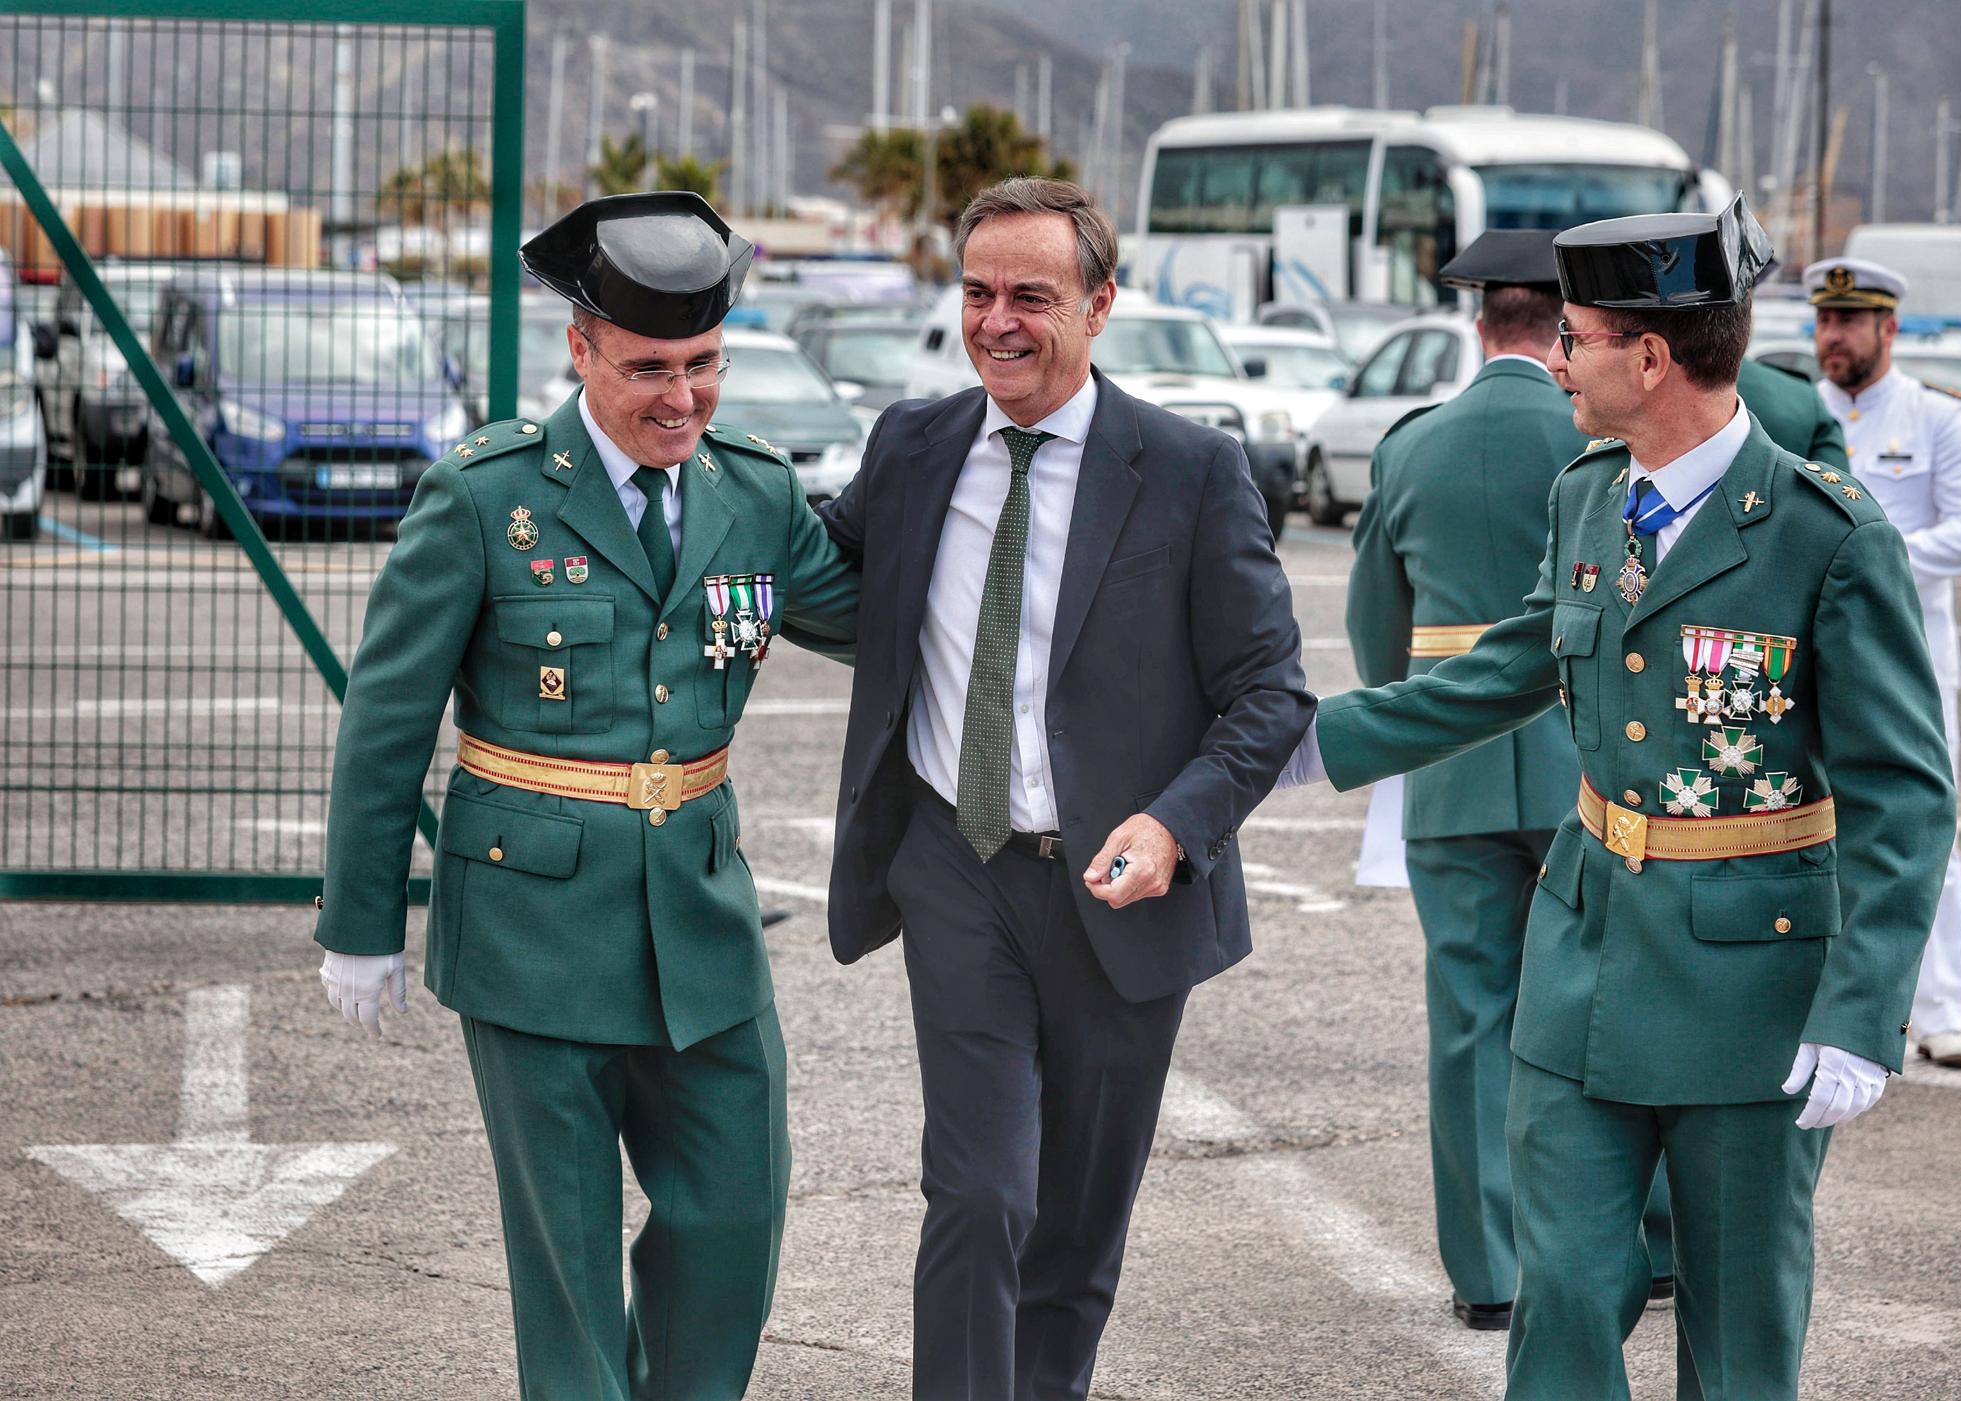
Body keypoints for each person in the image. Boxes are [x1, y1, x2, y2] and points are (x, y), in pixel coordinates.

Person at [1282, 197, 1952, 1398]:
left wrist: (1862, 1010)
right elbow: (1514, 661)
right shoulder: (1587, 493)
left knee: (1739, 1326)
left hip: (1749, 991)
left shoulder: (1825, 536)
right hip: (1582, 959)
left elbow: (1902, 800)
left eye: (1576, 336)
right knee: (1565, 1301)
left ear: (1647, 357)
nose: (1553, 358)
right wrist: (1308, 743)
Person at [312, 192, 860, 1400]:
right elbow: (388, 721)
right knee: (562, 1258)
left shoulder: (753, 493)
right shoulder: (484, 497)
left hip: (702, 923)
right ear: (579, 349)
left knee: (734, 1216)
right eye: (648, 369)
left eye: (704, 365)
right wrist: (360, 921)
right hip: (531, 928)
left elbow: (882, 620)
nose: (682, 398)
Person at [817, 177, 1312, 1401]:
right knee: (980, 1193)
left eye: (1030, 296)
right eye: (977, 293)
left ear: (1100, 305)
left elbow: (1269, 692)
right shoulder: (912, 444)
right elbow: (806, 571)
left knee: (1077, 1231)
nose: (996, 322)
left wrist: (1173, 824)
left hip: (1120, 886)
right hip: (955, 862)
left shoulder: (1192, 472)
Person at [1338, 228, 1673, 1331]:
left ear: (1476, 317)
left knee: (1469, 1018)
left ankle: (1487, 1269)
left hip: (1450, 768)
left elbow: (1371, 623)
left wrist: (1416, 707)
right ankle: (1648, 1242)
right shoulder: (1603, 436)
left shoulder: (1411, 443)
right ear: (1563, 324)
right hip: (1592, 756)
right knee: (1622, 1002)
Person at [1807, 254, 1961, 1068]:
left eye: (1849, 321)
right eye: (1824, 320)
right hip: (1809, 658)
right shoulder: (1792, 410)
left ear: (1889, 327)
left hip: (1910, 660)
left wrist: (1869, 560)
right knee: (1807, 823)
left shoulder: (1934, 417)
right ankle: (1826, 1000)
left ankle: (1939, 1008)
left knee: (1926, 830)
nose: (1833, 337)